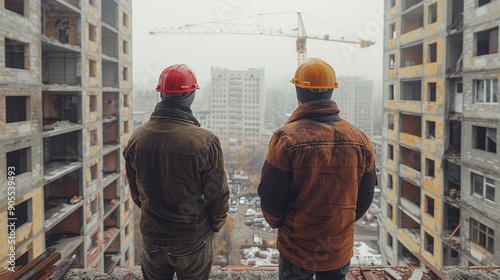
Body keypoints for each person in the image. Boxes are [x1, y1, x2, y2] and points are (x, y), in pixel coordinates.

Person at [258, 58, 376, 280]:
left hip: (297, 249)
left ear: (298, 91)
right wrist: (338, 224)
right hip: (337, 249)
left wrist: (280, 225)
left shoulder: (285, 139)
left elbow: (271, 197)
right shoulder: (361, 139)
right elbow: (365, 198)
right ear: (331, 91)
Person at [123, 64, 230, 280]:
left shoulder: (137, 139)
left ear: (161, 94)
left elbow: (137, 194)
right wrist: (216, 224)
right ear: (191, 95)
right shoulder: (205, 141)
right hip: (191, 237)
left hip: (152, 238)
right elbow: (217, 194)